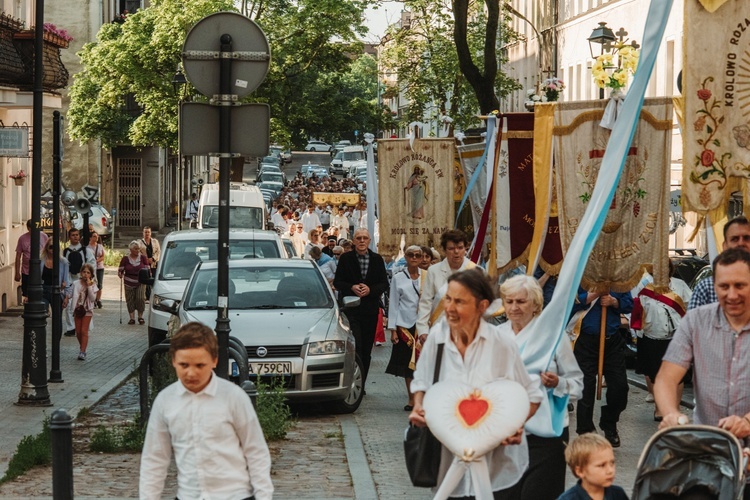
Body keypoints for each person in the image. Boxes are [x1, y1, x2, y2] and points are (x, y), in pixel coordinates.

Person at [409, 269, 543, 499]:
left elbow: (532, 395)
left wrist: (515, 426)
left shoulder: (501, 343)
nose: (449, 308)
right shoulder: (437, 337)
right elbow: (421, 381)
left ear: (482, 306)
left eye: (459, 301)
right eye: (448, 299)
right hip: (448, 454)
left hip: (494, 458)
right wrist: (418, 406)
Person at [139, 322, 273, 500]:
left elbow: (256, 452)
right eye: (184, 365)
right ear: (173, 361)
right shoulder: (165, 401)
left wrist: (264, 496)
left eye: (200, 365)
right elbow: (154, 459)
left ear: (214, 360)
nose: (191, 373)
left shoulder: (233, 397)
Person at [655, 248, 750, 448]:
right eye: (724, 286)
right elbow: (666, 378)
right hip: (708, 446)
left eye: (739, 285)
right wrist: (671, 414)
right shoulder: (696, 321)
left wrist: (747, 422)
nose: (731, 295)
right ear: (714, 286)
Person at [499, 275, 583, 500]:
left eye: (521, 301)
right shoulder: (495, 337)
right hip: (505, 435)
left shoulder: (553, 337)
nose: (514, 307)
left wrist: (558, 383)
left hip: (545, 436)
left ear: (535, 304)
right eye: (509, 301)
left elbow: (577, 385)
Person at [570, 286, 633, 447]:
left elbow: (629, 304)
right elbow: (570, 303)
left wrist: (614, 302)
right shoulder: (582, 274)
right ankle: (585, 430)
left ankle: (609, 422)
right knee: (586, 387)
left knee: (620, 387)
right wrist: (593, 295)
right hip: (586, 340)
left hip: (611, 340)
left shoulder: (618, 278)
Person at [631, 261, 691, 421]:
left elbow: (690, 307)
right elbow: (636, 310)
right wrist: (635, 332)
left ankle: (675, 409)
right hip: (651, 337)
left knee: (679, 375)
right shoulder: (644, 287)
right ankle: (659, 408)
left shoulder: (680, 285)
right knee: (655, 374)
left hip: (676, 336)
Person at [333, 228, 389, 387]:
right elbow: (338, 282)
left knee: (366, 350)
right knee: (356, 346)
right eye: (359, 238)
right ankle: (352, 380)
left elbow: (384, 283)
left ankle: (361, 383)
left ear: (369, 241)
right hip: (351, 310)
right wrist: (352, 287)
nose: (362, 241)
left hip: (370, 310)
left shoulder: (377, 259)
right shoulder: (346, 259)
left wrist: (371, 290)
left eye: (365, 238)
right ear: (354, 240)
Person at [416, 229, 476, 342]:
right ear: (444, 250)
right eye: (451, 248)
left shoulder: (475, 271)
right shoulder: (434, 271)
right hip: (440, 331)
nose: (456, 252)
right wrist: (423, 329)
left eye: (460, 247)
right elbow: (426, 301)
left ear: (465, 249)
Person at [385, 245, 425, 411]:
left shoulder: (428, 277)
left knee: (424, 364)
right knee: (408, 365)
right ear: (406, 257)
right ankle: (411, 399)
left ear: (422, 258)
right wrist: (392, 329)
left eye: (417, 255)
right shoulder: (398, 277)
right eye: (411, 255)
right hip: (405, 326)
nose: (414, 258)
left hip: (423, 325)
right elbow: (393, 303)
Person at [689, 215, 750, 309]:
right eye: (735, 239)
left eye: (747, 238)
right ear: (725, 246)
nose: (741, 243)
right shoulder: (707, 289)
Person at [558, 433, 628, 500]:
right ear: (580, 471)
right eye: (601, 465)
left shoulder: (618, 494)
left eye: (612, 463)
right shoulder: (568, 498)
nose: (610, 470)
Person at [63, 228, 96, 336]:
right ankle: (71, 327)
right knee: (69, 304)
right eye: (73, 235)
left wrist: (89, 278)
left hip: (82, 280)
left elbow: (92, 264)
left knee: (83, 303)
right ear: (69, 237)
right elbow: (62, 266)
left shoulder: (85, 251)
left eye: (77, 235)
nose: (75, 237)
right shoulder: (65, 251)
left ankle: (83, 325)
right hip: (69, 280)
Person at [14, 219, 49, 302]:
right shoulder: (22, 239)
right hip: (27, 271)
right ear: (28, 228)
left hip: (42, 270)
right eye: (31, 229)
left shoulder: (44, 236)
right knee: (27, 293)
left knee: (42, 291)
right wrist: (17, 272)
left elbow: (48, 252)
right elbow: (18, 256)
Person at [117, 240, 149, 325]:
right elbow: (120, 270)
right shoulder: (125, 259)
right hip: (128, 281)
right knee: (130, 299)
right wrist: (120, 274)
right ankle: (132, 318)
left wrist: (148, 276)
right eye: (135, 249)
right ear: (130, 250)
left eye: (138, 249)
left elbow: (148, 270)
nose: (137, 250)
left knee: (140, 298)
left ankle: (140, 317)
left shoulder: (143, 258)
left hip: (140, 281)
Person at [71, 263, 98, 361]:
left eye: (88, 272)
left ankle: (82, 351)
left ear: (91, 275)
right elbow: (70, 293)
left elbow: (93, 298)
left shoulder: (93, 285)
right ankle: (82, 346)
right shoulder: (76, 283)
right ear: (81, 273)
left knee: (83, 331)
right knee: (78, 332)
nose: (86, 274)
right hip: (78, 309)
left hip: (87, 310)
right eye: (84, 272)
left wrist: (89, 286)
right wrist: (65, 299)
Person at [140, 226, 161, 302]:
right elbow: (139, 253)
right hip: (145, 265)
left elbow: (158, 251)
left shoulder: (155, 241)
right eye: (145, 232)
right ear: (143, 233)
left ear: (151, 233)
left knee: (154, 280)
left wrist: (153, 259)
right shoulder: (140, 243)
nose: (147, 234)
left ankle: (155, 297)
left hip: (154, 264)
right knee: (147, 280)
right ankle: (148, 297)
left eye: (148, 232)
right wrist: (146, 259)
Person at [87, 231, 105, 309]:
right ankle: (93, 299)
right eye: (94, 236)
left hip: (99, 267)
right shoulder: (87, 247)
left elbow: (103, 256)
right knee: (92, 283)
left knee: (99, 284)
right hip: (91, 268)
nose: (96, 237)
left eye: (97, 236)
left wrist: (96, 261)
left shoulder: (100, 246)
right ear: (90, 238)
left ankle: (99, 299)